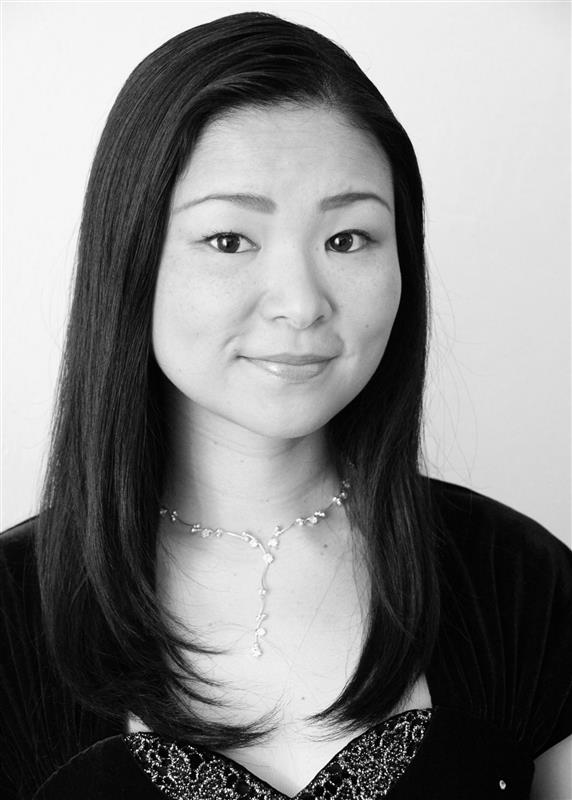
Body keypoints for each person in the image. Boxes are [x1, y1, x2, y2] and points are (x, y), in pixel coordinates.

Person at [1, 11, 570, 799]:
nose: (301, 303)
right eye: (229, 240)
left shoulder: (519, 583)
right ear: (130, 259)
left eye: (348, 239)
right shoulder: (10, 613)